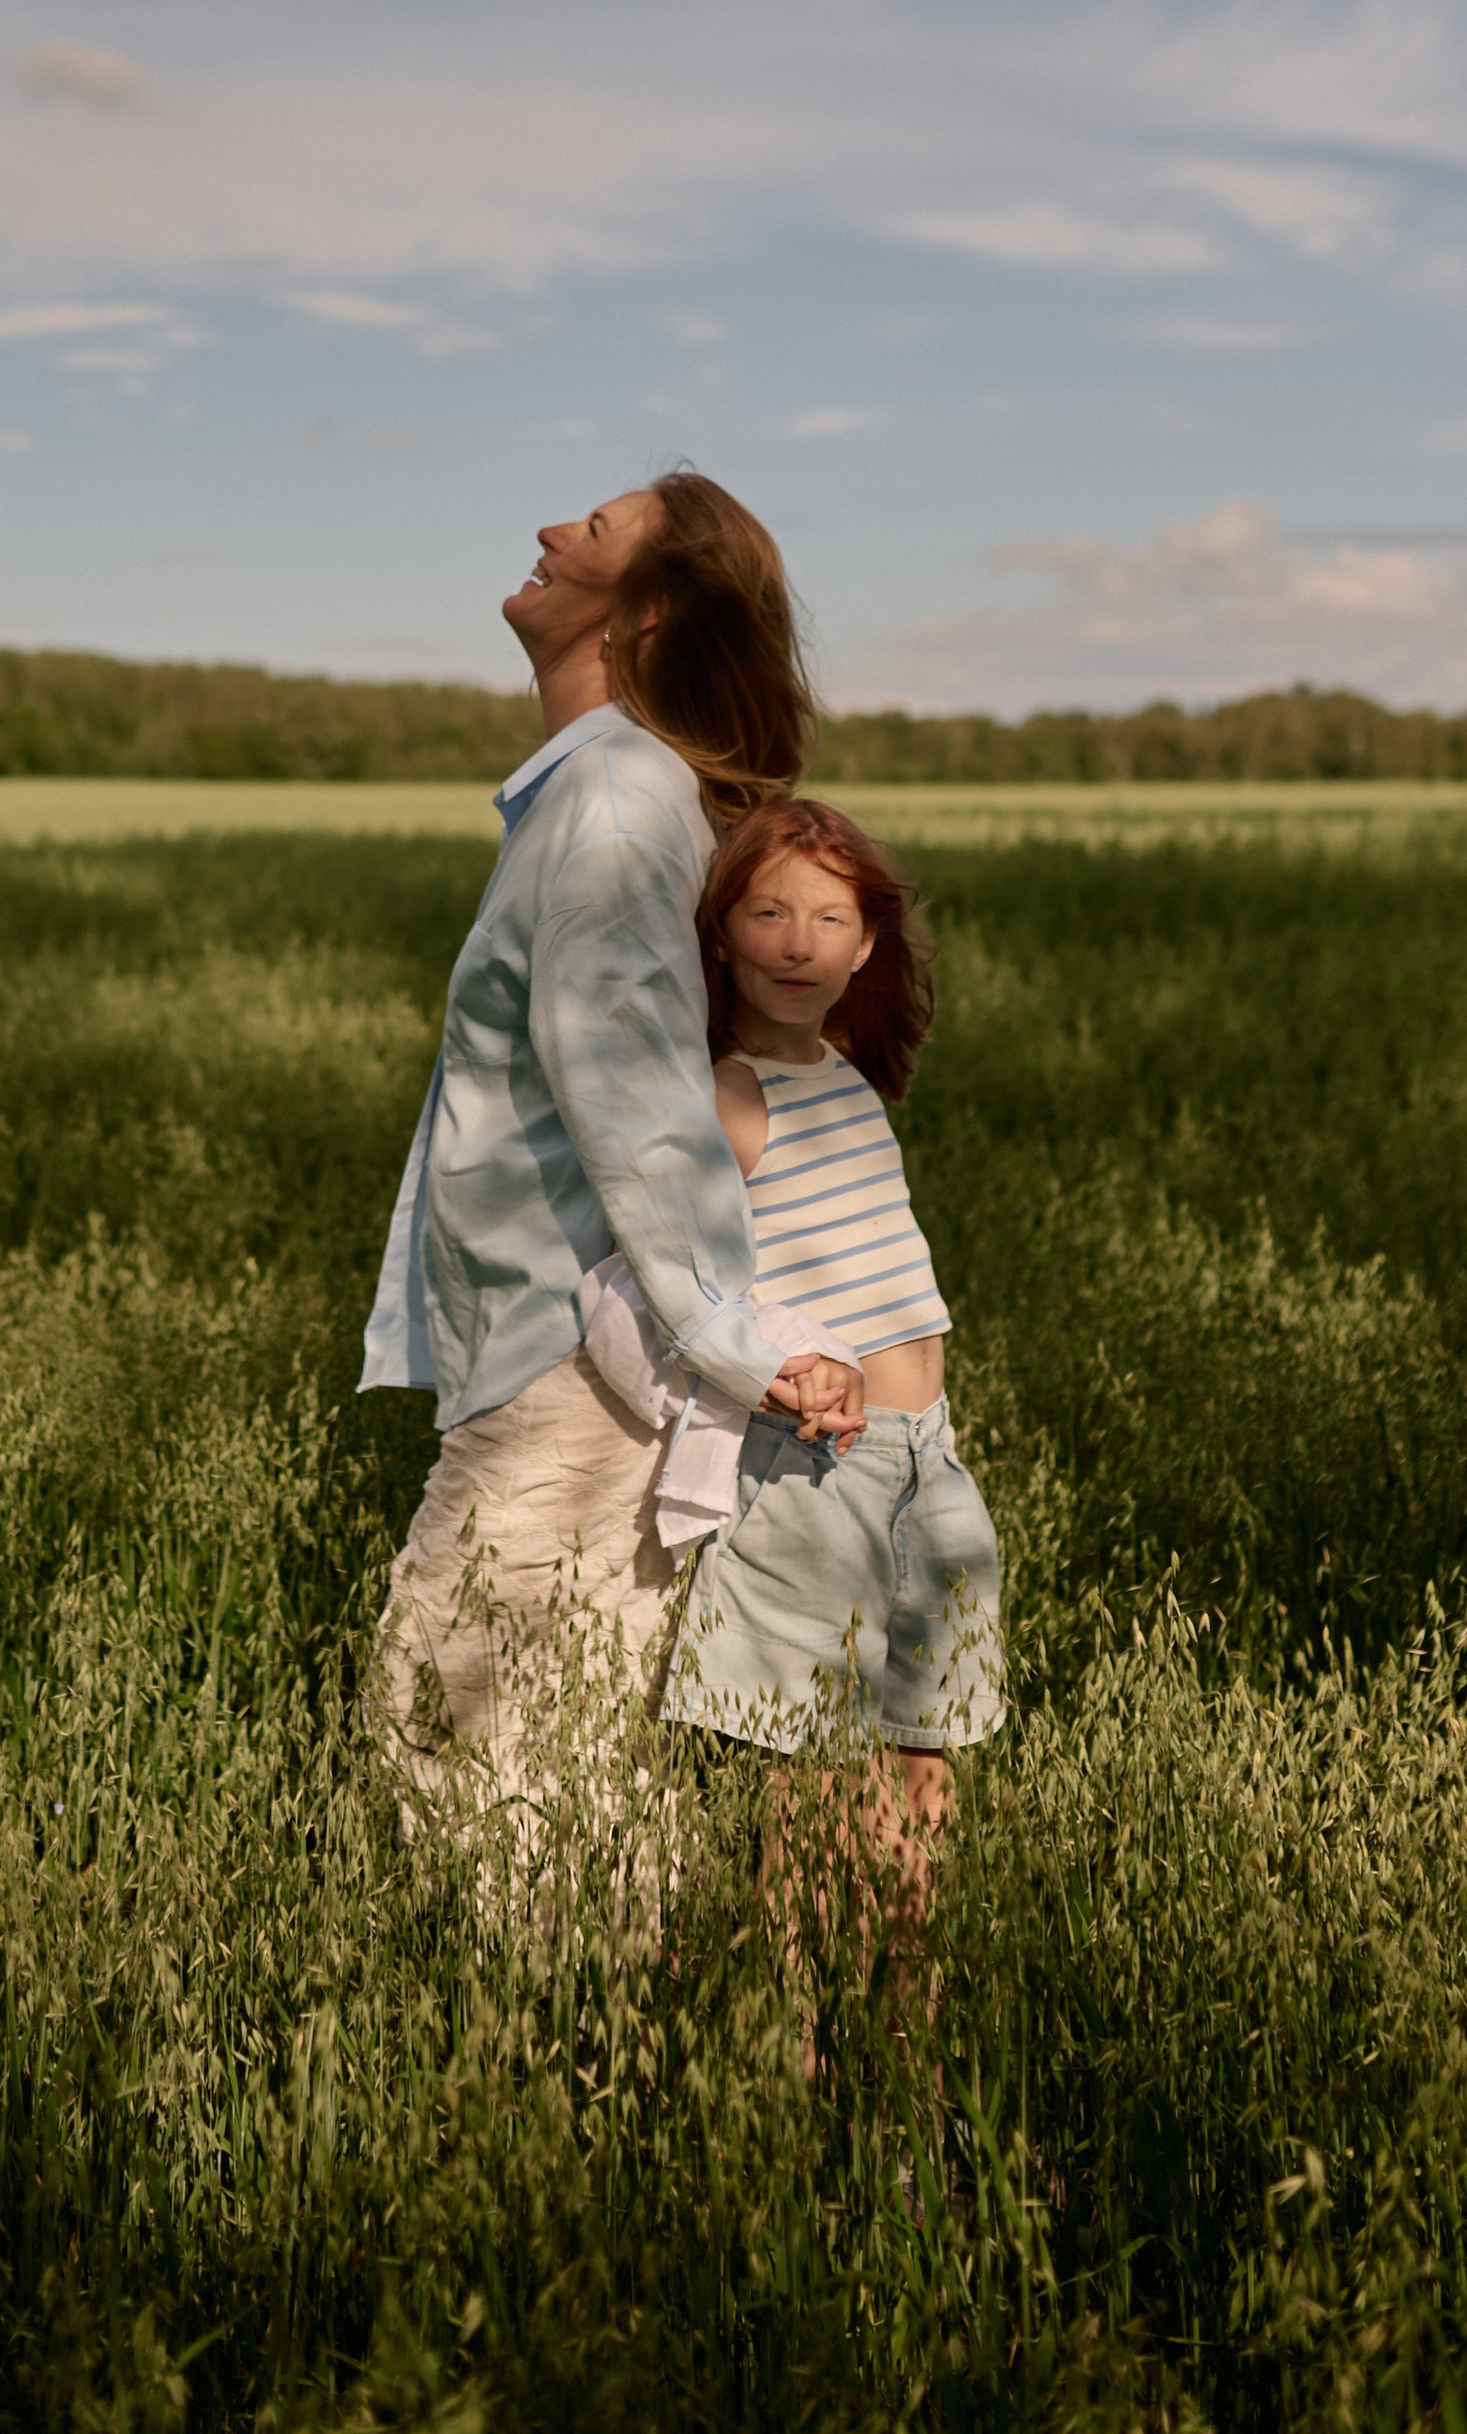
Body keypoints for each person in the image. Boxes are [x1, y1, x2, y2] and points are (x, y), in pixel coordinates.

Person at [361, 472, 863, 1835]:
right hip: (558, 1347)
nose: (545, 530)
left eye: (588, 529)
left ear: (646, 615)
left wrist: (731, 1344)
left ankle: (569, 1981)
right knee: (550, 1756)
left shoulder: (615, 805)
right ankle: (606, 1974)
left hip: (574, 1362)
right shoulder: (605, 793)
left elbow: (643, 1109)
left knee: (465, 1744)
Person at [656, 797, 1003, 1941]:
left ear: (865, 943)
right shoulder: (730, 1094)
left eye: (828, 917)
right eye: (766, 912)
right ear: (718, 934)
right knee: (813, 1785)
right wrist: (772, 1364)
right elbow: (668, 1278)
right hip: (814, 1466)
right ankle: (790, 2033)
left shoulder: (843, 1073)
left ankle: (905, 2025)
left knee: (923, 1762)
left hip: (927, 1458)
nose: (797, 942)